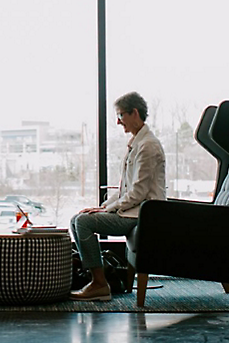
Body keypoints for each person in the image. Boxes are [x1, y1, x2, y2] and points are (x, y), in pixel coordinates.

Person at [69, 92, 166, 301]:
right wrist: (103, 207)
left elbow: (138, 193)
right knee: (77, 219)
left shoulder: (148, 146)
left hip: (141, 215)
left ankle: (99, 284)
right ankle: (98, 280)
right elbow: (125, 190)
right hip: (131, 211)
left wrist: (107, 210)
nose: (118, 121)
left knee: (83, 223)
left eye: (121, 115)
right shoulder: (137, 143)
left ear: (134, 113)